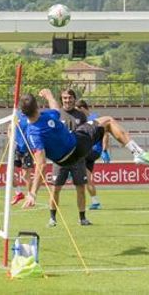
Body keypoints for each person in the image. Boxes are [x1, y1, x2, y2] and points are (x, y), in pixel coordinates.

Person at [21, 88, 149, 221]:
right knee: (108, 120)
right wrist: (48, 95)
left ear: (23, 113)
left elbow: (41, 163)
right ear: (38, 106)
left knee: (75, 187)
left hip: (65, 158)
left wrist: (33, 193)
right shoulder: (44, 120)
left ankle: (67, 217)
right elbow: (41, 163)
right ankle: (137, 152)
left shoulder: (32, 132)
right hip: (77, 146)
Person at [53, 89, 93, 226]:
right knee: (55, 188)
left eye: (70, 98)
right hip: (61, 159)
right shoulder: (56, 114)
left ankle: (82, 218)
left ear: (74, 99)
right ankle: (52, 218)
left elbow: (84, 135)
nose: (67, 100)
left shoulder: (81, 115)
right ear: (61, 99)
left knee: (80, 188)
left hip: (77, 158)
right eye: (64, 98)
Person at [77, 98, 110, 210]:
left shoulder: (93, 119)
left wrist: (105, 150)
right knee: (87, 178)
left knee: (74, 158)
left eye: (78, 110)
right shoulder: (84, 119)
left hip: (91, 151)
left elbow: (106, 134)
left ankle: (69, 171)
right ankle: (95, 202)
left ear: (82, 108)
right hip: (91, 154)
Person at [10, 111, 32, 205]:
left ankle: (30, 197)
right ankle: (19, 193)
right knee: (10, 173)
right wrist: (11, 139)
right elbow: (9, 128)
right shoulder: (16, 114)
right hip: (17, 148)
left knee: (25, 176)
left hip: (28, 148)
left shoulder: (31, 115)